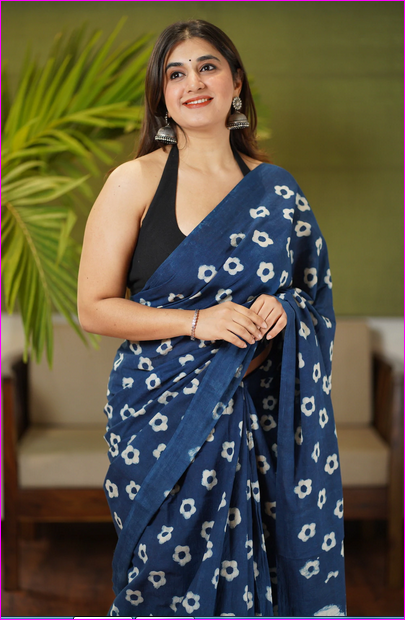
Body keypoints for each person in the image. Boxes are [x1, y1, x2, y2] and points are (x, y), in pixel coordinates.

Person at [78, 19, 346, 618]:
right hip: (159, 416)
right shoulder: (135, 181)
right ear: (162, 95)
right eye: (175, 74)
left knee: (258, 571)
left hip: (255, 418)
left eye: (207, 67)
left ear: (236, 83)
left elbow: (312, 297)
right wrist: (197, 321)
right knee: (160, 578)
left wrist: (284, 309)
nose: (193, 83)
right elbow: (94, 307)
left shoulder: (278, 192)